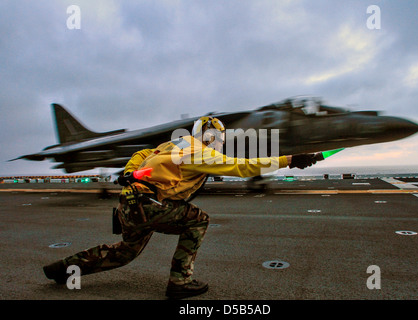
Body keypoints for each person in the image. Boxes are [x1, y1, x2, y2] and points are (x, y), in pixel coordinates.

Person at [43, 116, 316, 299]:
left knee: (124, 253)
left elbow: (140, 154)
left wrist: (128, 171)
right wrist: (290, 160)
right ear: (212, 136)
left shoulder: (171, 144)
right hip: (150, 206)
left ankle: (64, 268)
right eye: (218, 137)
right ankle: (179, 282)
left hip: (130, 203)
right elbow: (243, 167)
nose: (219, 142)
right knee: (198, 220)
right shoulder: (201, 152)